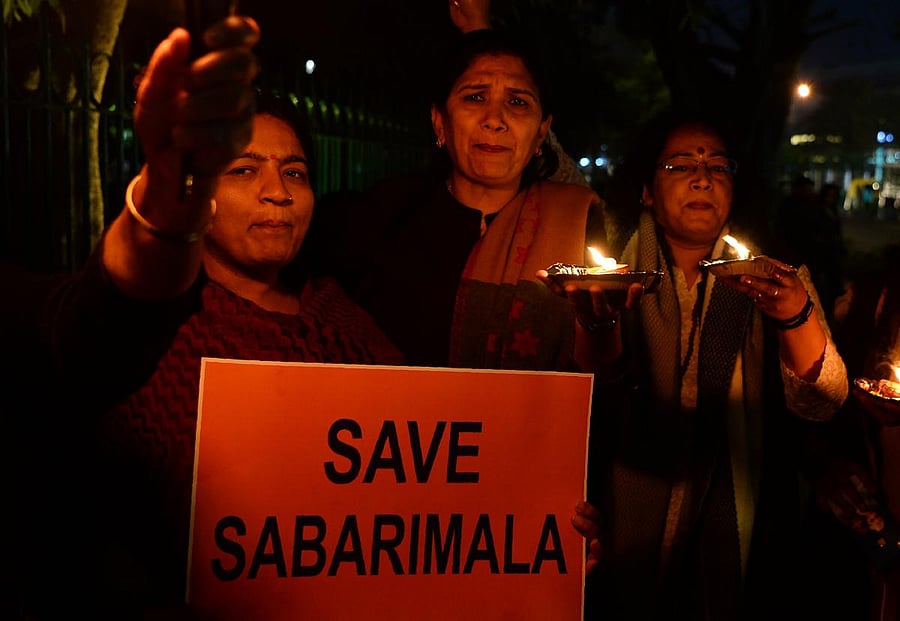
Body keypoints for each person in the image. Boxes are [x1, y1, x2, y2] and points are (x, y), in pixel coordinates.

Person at [574, 111, 849, 620]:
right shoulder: (608, 272)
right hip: (615, 512)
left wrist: (794, 315)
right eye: (680, 165)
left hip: (737, 515)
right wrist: (600, 319)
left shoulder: (775, 277)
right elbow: (591, 391)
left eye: (718, 167)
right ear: (647, 191)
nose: (702, 177)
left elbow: (822, 400)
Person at [308, 26, 612, 374]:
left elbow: (602, 381)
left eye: (517, 102)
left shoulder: (575, 221)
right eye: (475, 97)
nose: (495, 120)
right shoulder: (383, 218)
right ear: (439, 122)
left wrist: (600, 322)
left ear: (541, 131)